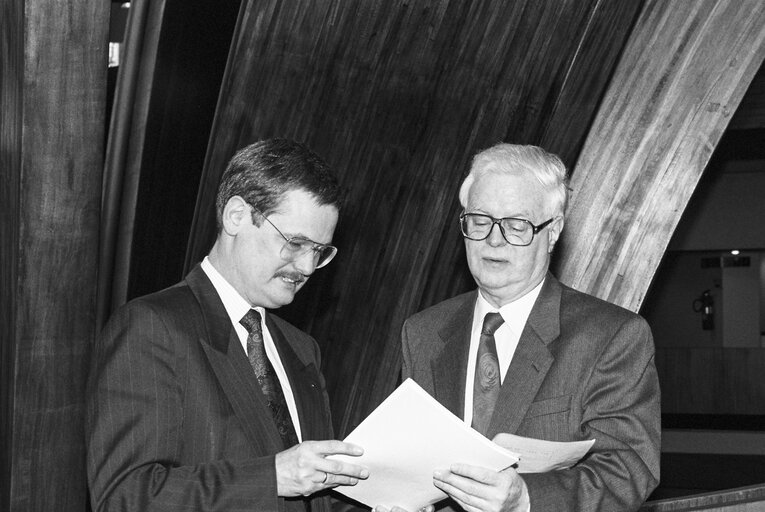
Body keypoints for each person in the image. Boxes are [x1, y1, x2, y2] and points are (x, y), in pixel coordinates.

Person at [86, 138, 369, 511]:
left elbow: (315, 500)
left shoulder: (302, 349)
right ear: (236, 215)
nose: (306, 268)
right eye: (296, 243)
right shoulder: (152, 327)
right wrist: (272, 477)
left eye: (319, 252)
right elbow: (125, 496)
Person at [401, 143, 660, 511]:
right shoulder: (423, 331)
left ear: (552, 232)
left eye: (516, 225)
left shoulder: (611, 336)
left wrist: (525, 497)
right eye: (480, 220)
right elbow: (408, 457)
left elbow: (628, 470)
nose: (493, 239)